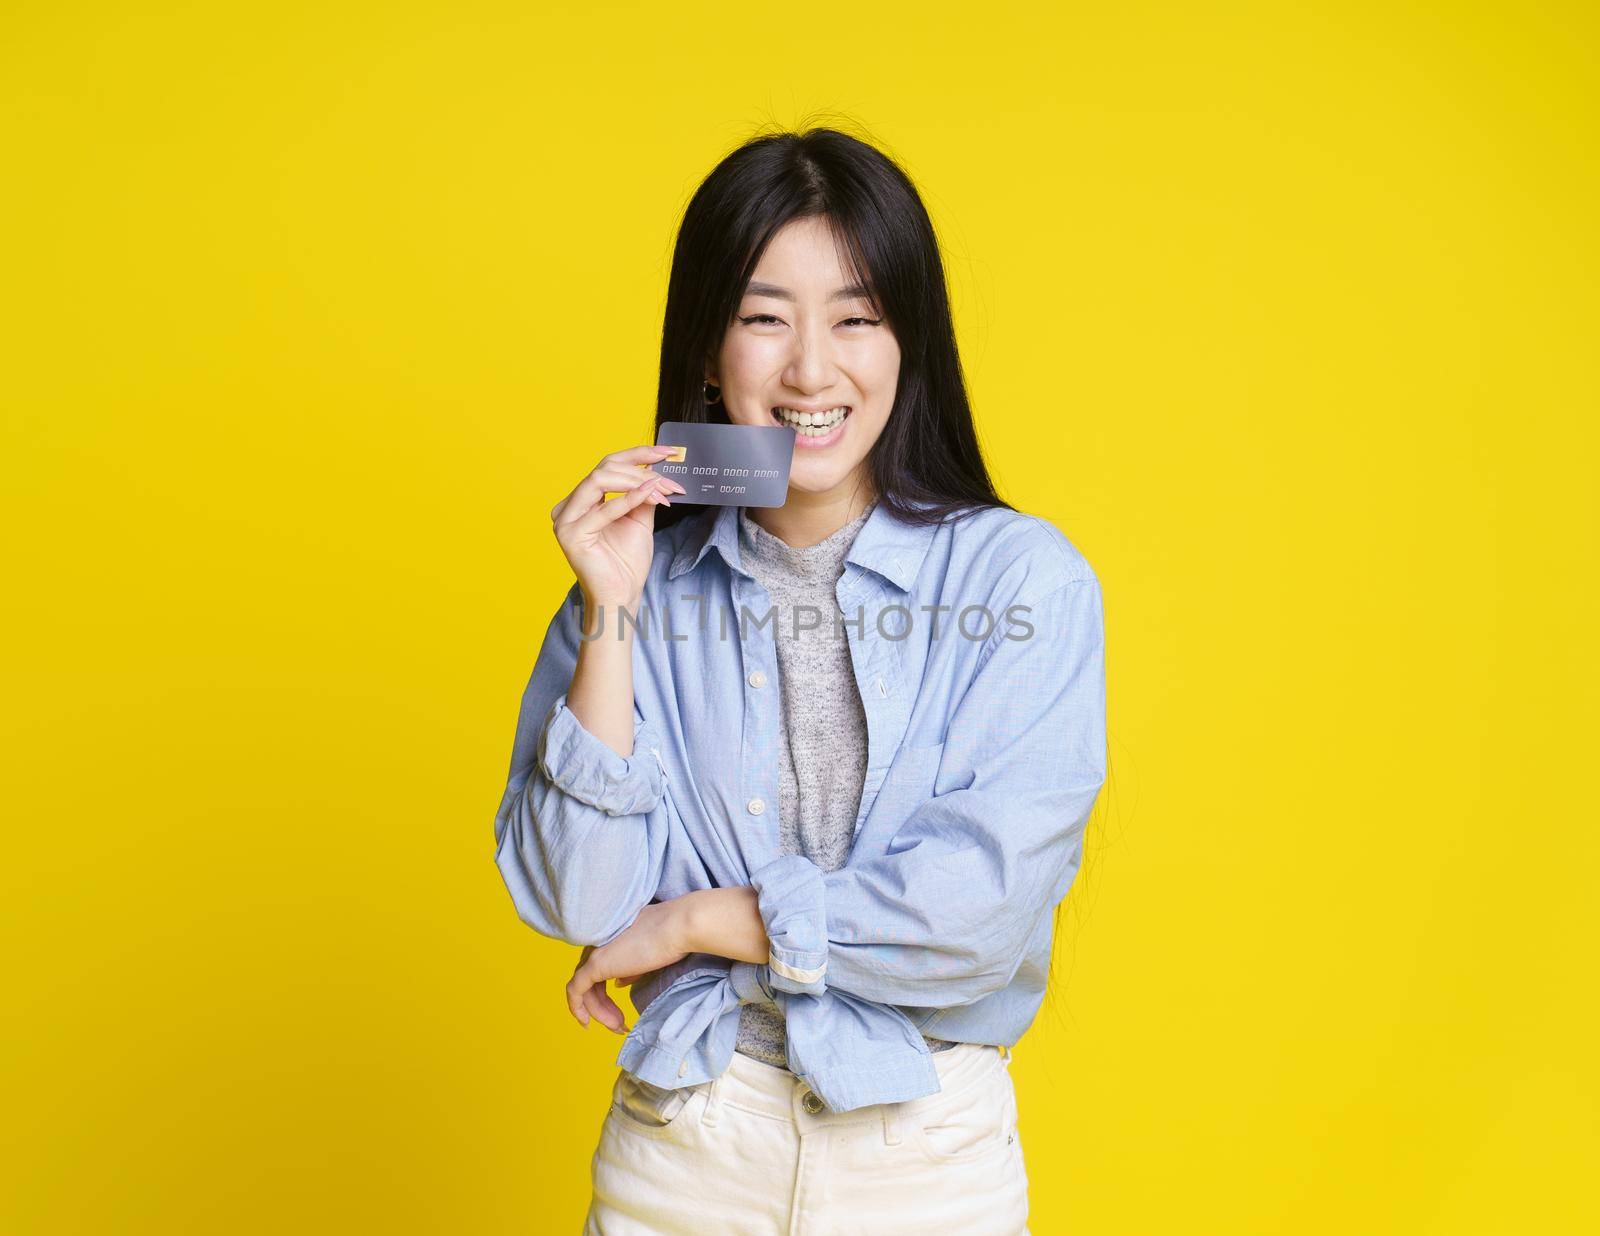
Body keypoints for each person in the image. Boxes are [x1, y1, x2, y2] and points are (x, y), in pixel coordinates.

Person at [491, 126, 1107, 1235]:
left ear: (908, 341)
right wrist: (609, 612)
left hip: (925, 1152)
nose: (811, 370)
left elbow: (976, 913)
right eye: (765, 318)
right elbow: (579, 900)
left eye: (857, 318)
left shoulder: (1024, 581)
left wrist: (692, 923)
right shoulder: (638, 585)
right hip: (686, 1144)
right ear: (709, 353)